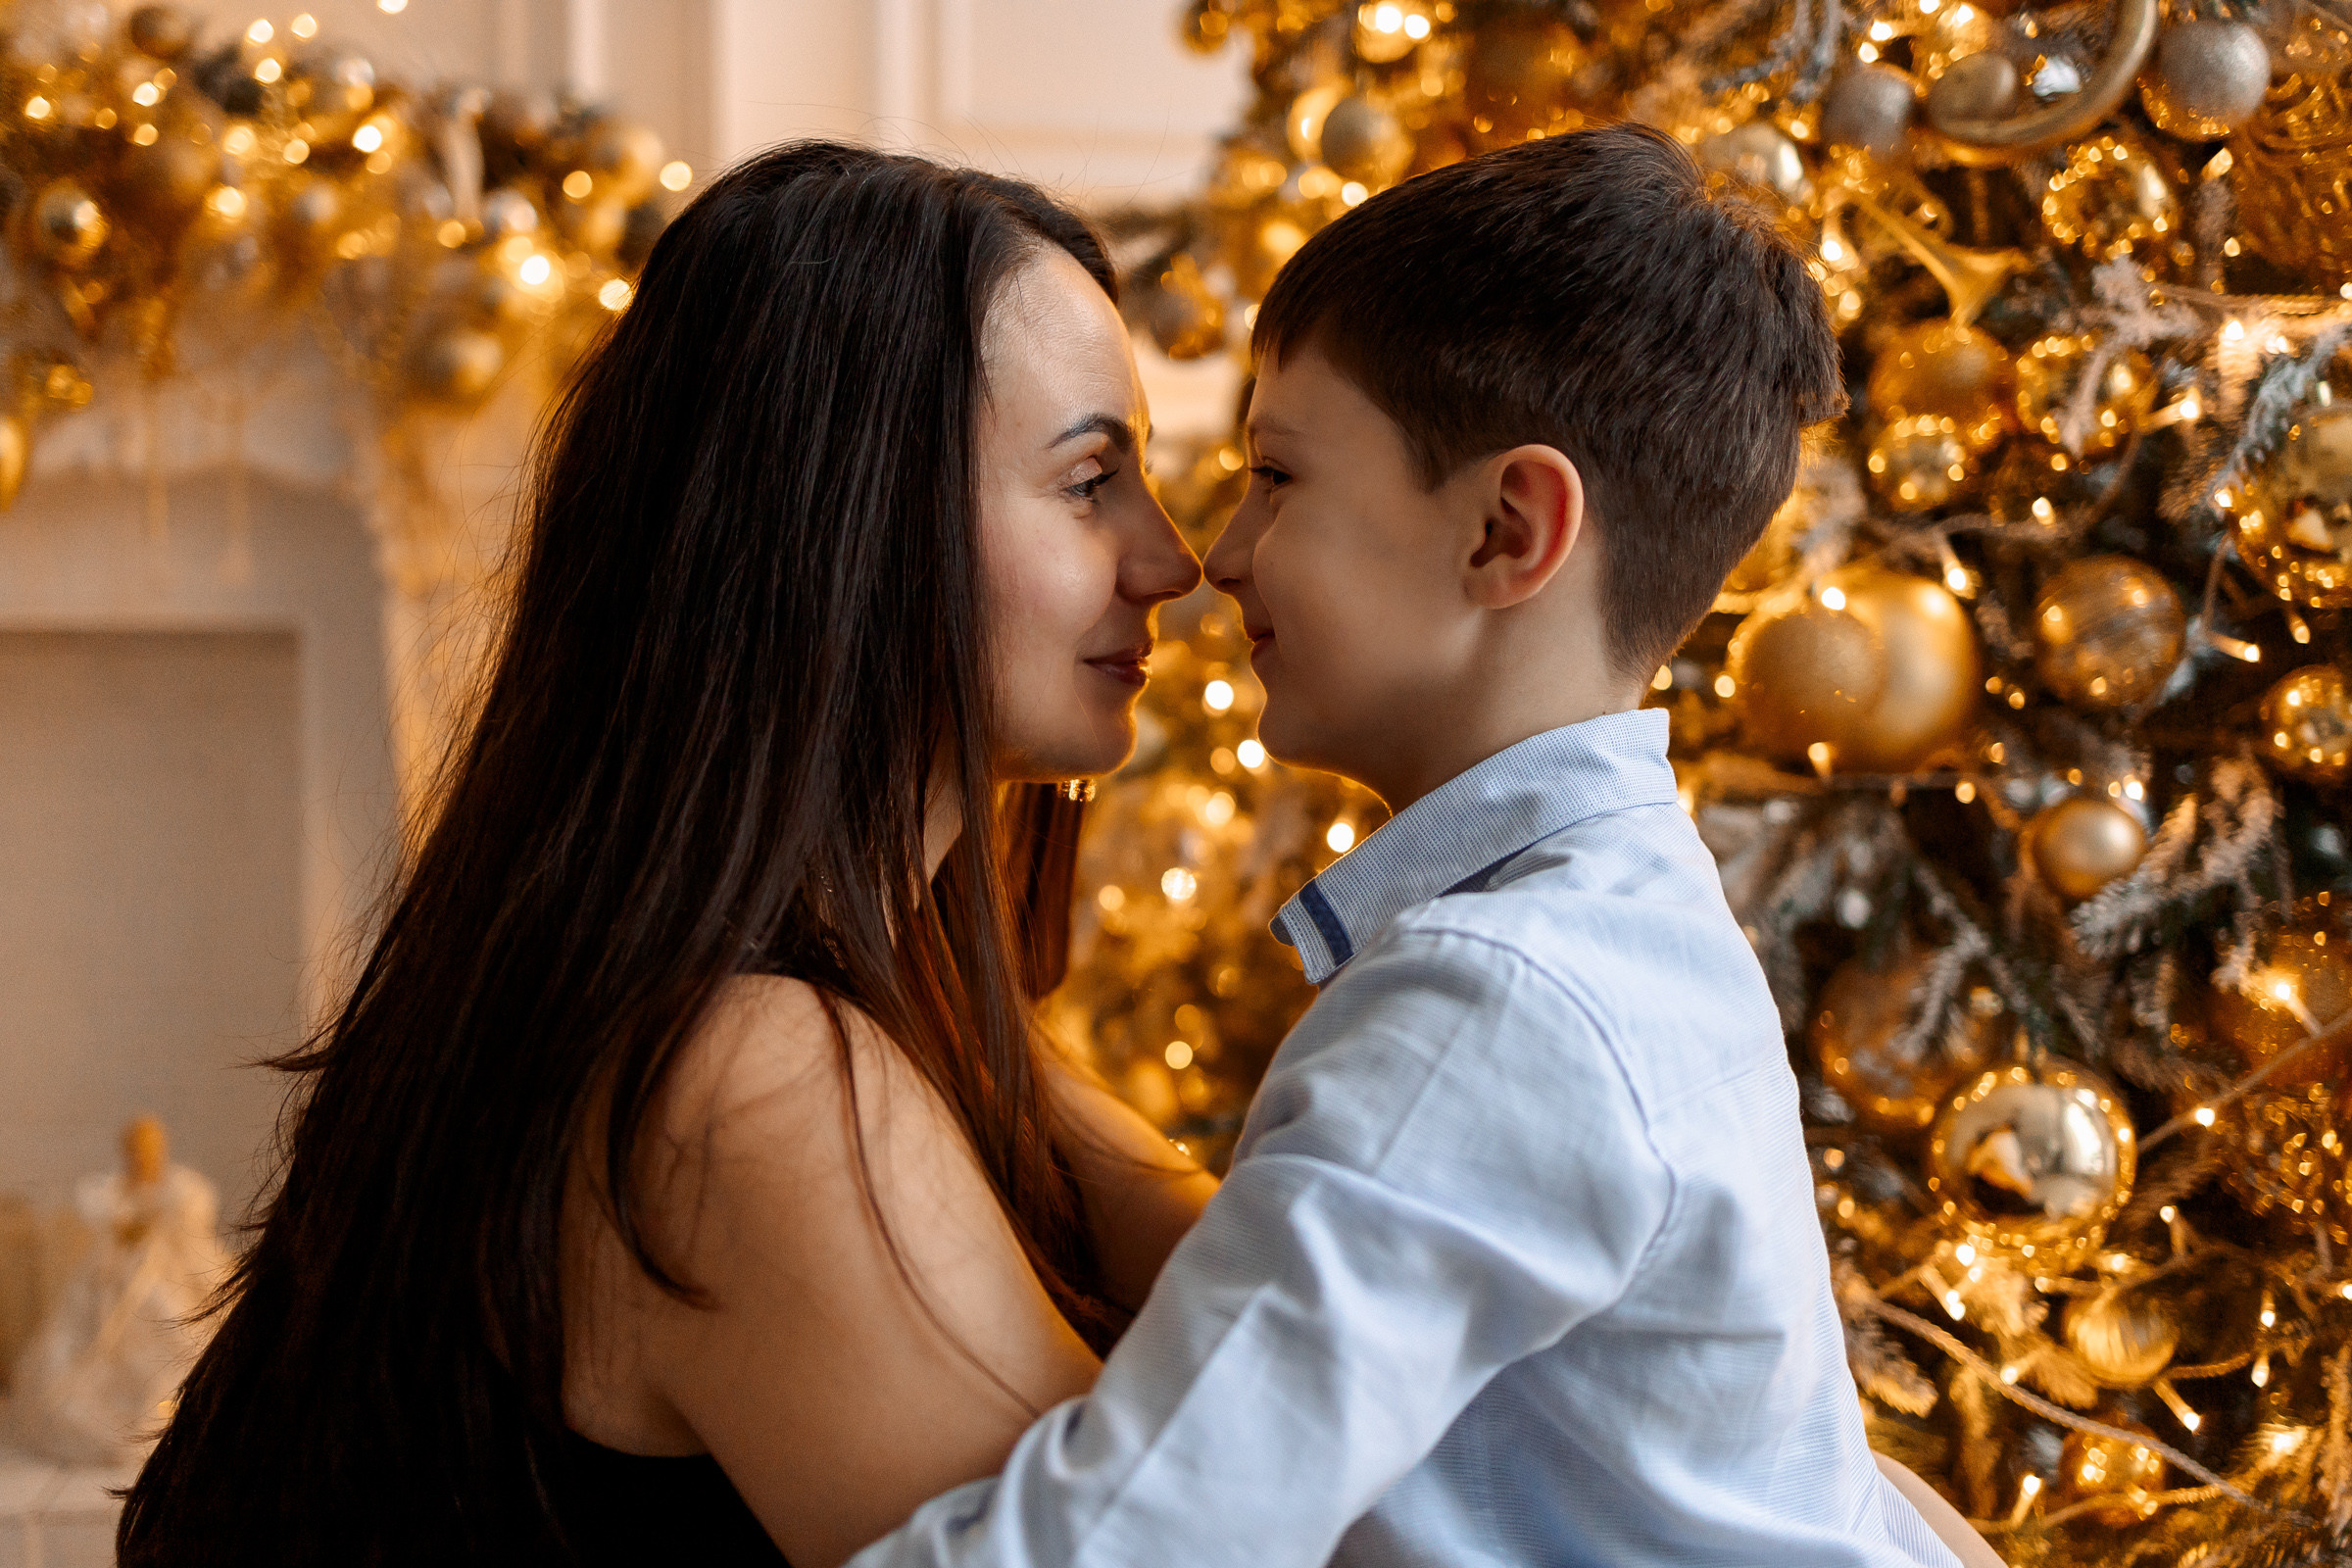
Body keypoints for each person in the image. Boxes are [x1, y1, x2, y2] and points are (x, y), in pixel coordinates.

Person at [850, 124, 1998, 1567]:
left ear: (1507, 529)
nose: (1218, 550)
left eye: (1276, 474)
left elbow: (1136, 1538)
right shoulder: (1622, 920)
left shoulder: (1498, 999)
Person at [115, 143, 1210, 1566]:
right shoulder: (742, 1080)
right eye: (1090, 480)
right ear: (849, 516)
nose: (1172, 557)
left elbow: (1232, 1278)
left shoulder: (768, 996)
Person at [7, 1114, 228, 1467]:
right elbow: (106, 1229)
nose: (143, 1158)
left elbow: (192, 1231)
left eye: (150, 1148)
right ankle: (119, 1421)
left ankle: (171, 1412)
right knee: (92, 1346)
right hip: (112, 1287)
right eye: (136, 1150)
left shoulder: (181, 1190)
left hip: (169, 1279)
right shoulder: (111, 1192)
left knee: (175, 1324)